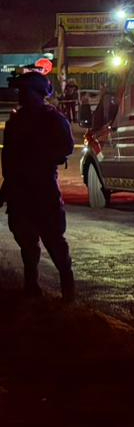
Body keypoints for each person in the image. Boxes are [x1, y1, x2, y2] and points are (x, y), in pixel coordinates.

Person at [0, 72, 76, 298]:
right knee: (27, 242)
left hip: (43, 189)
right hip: (21, 190)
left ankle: (67, 286)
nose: (21, 96)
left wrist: (44, 156)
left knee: (54, 240)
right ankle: (31, 286)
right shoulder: (16, 122)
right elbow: (10, 162)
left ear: (37, 93)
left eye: (25, 91)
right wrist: (6, 191)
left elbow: (66, 147)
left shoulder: (52, 119)